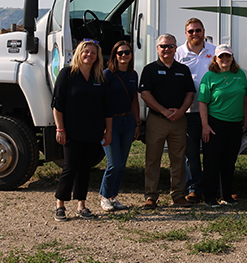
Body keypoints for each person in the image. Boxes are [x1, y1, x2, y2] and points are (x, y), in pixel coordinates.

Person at [52, 39, 112, 221]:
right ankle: (60, 205)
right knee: (70, 167)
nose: (89, 55)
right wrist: (60, 129)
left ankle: (81, 205)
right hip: (71, 130)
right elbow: (57, 104)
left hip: (93, 130)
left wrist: (108, 131)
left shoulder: (100, 78)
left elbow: (106, 108)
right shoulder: (67, 74)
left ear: (97, 57)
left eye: (93, 53)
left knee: (85, 169)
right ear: (79, 53)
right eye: (86, 52)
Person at [139, 34, 195, 209]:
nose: (167, 49)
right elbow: (145, 94)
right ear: (157, 49)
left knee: (178, 159)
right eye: (163, 46)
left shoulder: (183, 69)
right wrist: (163, 110)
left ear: (175, 48)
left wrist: (181, 111)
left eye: (170, 46)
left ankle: (178, 195)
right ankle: (151, 196)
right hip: (157, 120)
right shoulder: (150, 69)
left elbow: (190, 93)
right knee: (153, 159)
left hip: (179, 120)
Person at [198, 44, 247, 206]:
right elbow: (202, 103)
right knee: (212, 162)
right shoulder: (209, 77)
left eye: (227, 56)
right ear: (215, 58)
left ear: (232, 57)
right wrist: (205, 126)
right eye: (221, 56)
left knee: (229, 162)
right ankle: (210, 197)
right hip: (215, 124)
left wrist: (246, 121)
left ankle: (226, 196)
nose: (225, 59)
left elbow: (245, 100)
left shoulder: (240, 74)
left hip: (235, 125)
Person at [175, 18, 217, 203]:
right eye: (191, 31)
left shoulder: (215, 51)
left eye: (198, 30)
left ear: (203, 31)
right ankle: (194, 188)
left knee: (212, 152)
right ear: (186, 33)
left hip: (213, 111)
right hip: (189, 112)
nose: (195, 34)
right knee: (191, 153)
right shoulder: (178, 53)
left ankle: (212, 188)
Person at [99, 40, 138, 212]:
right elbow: (100, 101)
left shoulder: (133, 75)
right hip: (111, 122)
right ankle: (104, 196)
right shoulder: (106, 75)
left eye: (127, 52)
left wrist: (137, 122)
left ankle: (113, 197)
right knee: (113, 163)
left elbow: (134, 100)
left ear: (131, 55)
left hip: (128, 121)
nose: (124, 55)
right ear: (114, 55)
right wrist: (103, 126)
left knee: (122, 163)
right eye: (120, 53)